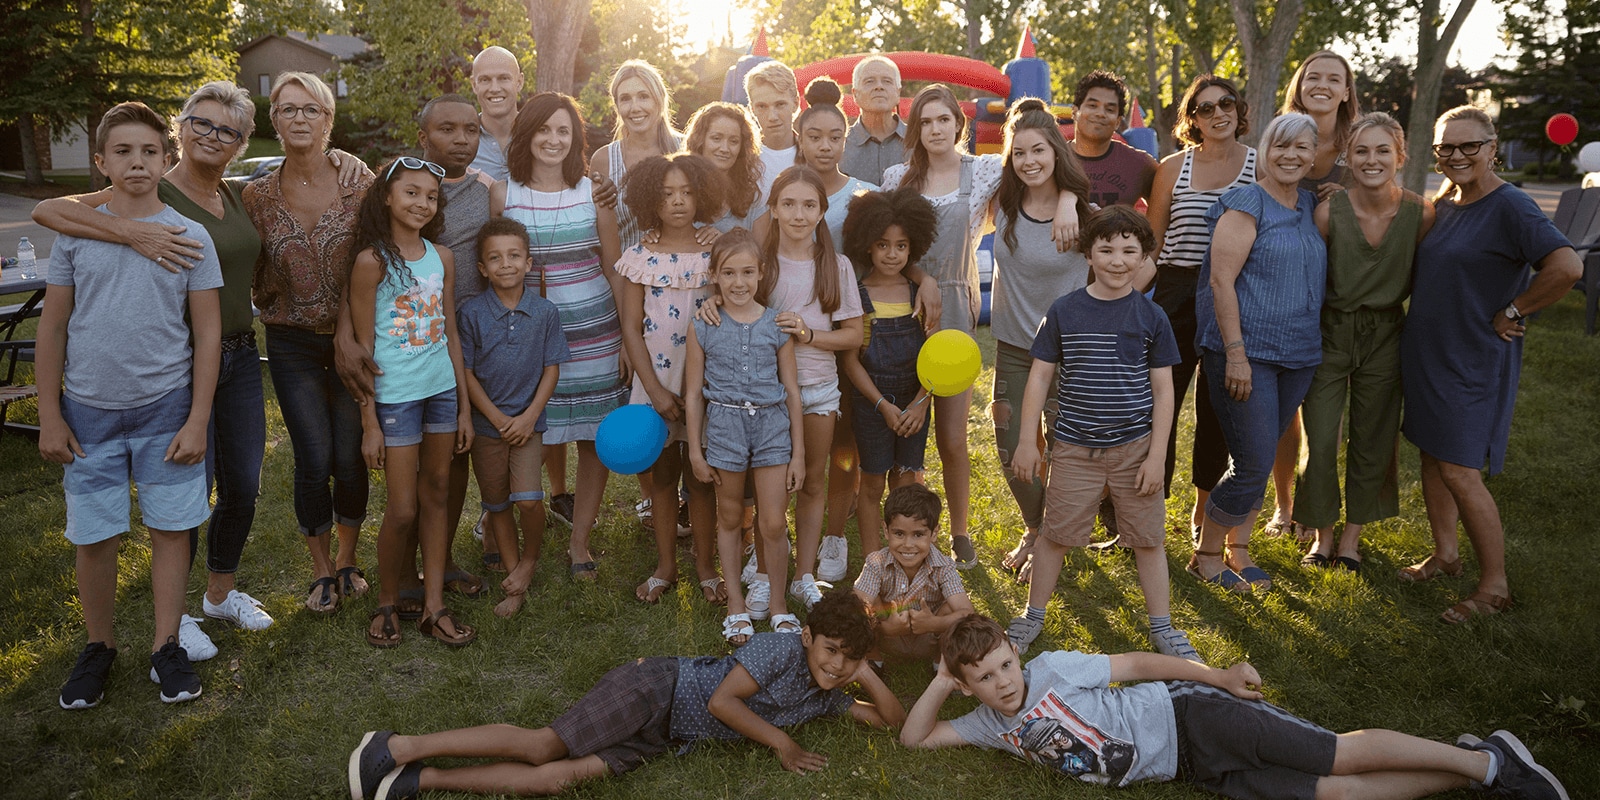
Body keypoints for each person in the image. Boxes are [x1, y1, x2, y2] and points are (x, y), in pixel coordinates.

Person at [29, 80, 335, 650]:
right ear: (181, 126)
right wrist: (130, 231)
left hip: (240, 355)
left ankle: (218, 595)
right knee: (184, 492)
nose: (213, 136)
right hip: (177, 361)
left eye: (229, 130)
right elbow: (48, 210)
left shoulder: (240, 195)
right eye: (202, 122)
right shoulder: (149, 188)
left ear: (242, 142)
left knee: (243, 484)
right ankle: (176, 622)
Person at [901, 614, 1571, 800]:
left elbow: (1137, 665)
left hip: (1192, 715)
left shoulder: (1049, 670)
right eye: (985, 678)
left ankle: (1490, 768)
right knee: (1334, 795)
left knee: (1339, 750)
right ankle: (1475, 763)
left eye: (1004, 666)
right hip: (1191, 769)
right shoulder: (988, 725)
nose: (1004, 683)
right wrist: (939, 678)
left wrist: (1216, 676)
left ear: (1019, 659)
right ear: (969, 686)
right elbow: (913, 742)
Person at [345, 589, 906, 799]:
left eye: (848, 658)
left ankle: (420, 782)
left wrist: (867, 673)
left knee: (556, 778)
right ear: (808, 636)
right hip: (658, 690)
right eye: (830, 650)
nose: (835, 665)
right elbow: (722, 703)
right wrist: (781, 743)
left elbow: (891, 723)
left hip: (666, 736)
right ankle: (395, 748)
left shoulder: (828, 691)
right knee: (545, 747)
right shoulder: (781, 648)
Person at [43, 102, 223, 708]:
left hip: (166, 407)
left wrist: (198, 418)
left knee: (171, 530)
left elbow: (208, 335)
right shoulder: (74, 233)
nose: (137, 162)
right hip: (87, 411)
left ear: (167, 159)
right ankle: (98, 646)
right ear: (101, 162)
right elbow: (54, 328)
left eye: (149, 151)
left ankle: (165, 645)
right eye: (122, 152)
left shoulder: (191, 236)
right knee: (95, 536)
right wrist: (49, 414)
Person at [882, 84, 1079, 569]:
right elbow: (882, 247)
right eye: (925, 122)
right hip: (899, 303)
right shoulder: (895, 177)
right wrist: (920, 277)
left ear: (959, 125)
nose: (935, 130)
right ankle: (905, 530)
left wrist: (1072, 199)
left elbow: (1046, 168)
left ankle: (960, 531)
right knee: (904, 432)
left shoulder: (986, 170)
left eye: (943, 120)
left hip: (955, 306)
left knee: (952, 436)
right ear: (916, 129)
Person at [1398, 105, 1581, 623]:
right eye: (1445, 148)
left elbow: (1567, 266)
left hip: (1471, 358)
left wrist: (1515, 308)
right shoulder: (1448, 201)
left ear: (1492, 147)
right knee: (1433, 456)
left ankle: (1494, 587)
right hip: (1429, 353)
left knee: (1459, 468)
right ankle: (1446, 554)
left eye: (1468, 146)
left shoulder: (1511, 207)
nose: (1456, 155)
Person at [1006, 207, 1194, 661]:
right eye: (1106, 249)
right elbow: (1038, 377)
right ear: (1087, 253)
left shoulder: (1152, 317)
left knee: (1148, 540)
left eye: (1129, 250)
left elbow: (1165, 392)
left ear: (1145, 256)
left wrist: (1156, 457)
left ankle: (1162, 626)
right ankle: (1033, 615)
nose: (1117, 260)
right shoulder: (1065, 311)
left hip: (1135, 450)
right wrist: (1028, 441)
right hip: (1073, 449)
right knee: (1055, 536)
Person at [701, 166, 866, 618]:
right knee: (769, 494)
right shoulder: (762, 263)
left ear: (821, 211)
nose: (798, 213)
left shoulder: (837, 265)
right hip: (766, 395)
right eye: (788, 204)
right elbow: (736, 293)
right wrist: (713, 300)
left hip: (818, 390)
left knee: (813, 480)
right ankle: (762, 572)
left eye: (809, 205)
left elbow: (853, 335)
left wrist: (810, 335)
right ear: (772, 209)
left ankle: (803, 575)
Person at [243, 72, 373, 615]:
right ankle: (319, 568)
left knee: (350, 452)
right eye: (287, 109)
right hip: (291, 340)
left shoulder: (359, 183)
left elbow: (374, 260)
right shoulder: (255, 195)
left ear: (328, 120)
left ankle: (347, 558)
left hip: (354, 338)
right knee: (313, 454)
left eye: (310, 109)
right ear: (274, 120)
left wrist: (349, 330)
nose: (299, 118)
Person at [1190, 113, 1327, 594]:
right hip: (1246, 352)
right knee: (1249, 462)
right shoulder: (1247, 201)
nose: (1291, 156)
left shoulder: (1310, 204)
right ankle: (1206, 555)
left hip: (1299, 353)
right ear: (1265, 149)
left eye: (1302, 148)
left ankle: (1239, 549)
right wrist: (1236, 354)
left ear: (1315, 155)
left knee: (1263, 453)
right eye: (1281, 146)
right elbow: (1220, 280)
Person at [1295, 113, 1433, 572]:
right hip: (1330, 332)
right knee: (1318, 435)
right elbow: (1309, 282)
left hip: (1387, 334)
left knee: (1374, 437)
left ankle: (1351, 540)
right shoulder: (1328, 212)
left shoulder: (1420, 214)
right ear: (1347, 157)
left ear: (1400, 155)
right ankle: (1322, 535)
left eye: (1381, 151)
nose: (1371, 160)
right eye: (1361, 151)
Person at [349, 156, 475, 649]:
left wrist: (464, 406)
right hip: (396, 398)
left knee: (438, 494)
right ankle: (386, 600)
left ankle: (435, 604)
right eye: (411, 193)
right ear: (386, 197)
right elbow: (361, 352)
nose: (422, 203)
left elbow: (451, 337)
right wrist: (370, 424)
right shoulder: (371, 261)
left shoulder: (441, 256)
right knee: (402, 509)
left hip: (442, 390)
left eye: (430, 196)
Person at [502, 92, 629, 581]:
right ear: (527, 134)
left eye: (564, 131)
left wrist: (625, 339)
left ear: (576, 139)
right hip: (529, 337)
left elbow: (614, 268)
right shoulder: (504, 192)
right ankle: (512, 525)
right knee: (533, 431)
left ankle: (580, 539)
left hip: (594, 329)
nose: (554, 140)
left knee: (593, 438)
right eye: (544, 129)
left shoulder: (593, 192)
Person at [986, 99, 1093, 582]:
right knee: (1013, 449)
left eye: (1039, 151)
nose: (1029, 161)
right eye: (1020, 153)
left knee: (1067, 452)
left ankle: (1054, 537)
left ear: (1056, 152)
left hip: (1070, 352)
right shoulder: (1001, 204)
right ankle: (1037, 527)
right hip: (1012, 350)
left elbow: (1129, 264)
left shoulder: (1082, 216)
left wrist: (1071, 198)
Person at [614, 153, 726, 606]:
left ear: (701, 194)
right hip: (655, 379)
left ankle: (705, 567)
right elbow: (630, 328)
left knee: (701, 479)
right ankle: (664, 566)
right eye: (666, 194)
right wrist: (656, 392)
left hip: (707, 383)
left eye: (686, 192)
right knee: (662, 477)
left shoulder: (717, 253)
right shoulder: (637, 258)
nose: (678, 202)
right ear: (649, 201)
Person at [1147, 75, 1253, 547]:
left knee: (1218, 408)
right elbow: (1151, 244)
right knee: (1160, 405)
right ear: (1192, 119)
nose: (1217, 114)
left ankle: (1204, 506)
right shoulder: (1172, 168)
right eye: (1205, 108)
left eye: (1225, 103)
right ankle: (1147, 510)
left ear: (1238, 108)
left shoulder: (1260, 167)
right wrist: (1121, 300)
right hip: (1176, 291)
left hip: (1233, 294)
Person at [685, 228, 806, 644]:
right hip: (724, 427)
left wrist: (800, 454)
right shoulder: (703, 324)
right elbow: (693, 392)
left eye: (748, 272)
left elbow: (792, 391)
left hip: (772, 427)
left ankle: (777, 604)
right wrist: (697, 452)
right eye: (729, 273)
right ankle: (736, 604)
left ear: (761, 273)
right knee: (731, 516)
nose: (739, 283)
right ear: (715, 276)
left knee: (772, 522)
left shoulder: (777, 325)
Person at [1265, 50, 1364, 540]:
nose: (1322, 85)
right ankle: (1284, 507)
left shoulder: (1361, 144)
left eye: (1334, 79)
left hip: (1341, 291)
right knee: (1285, 412)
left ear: (1347, 90)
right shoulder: (1282, 138)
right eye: (1313, 77)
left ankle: (1315, 504)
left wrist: (1352, 200)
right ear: (1299, 85)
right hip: (1283, 290)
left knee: (1325, 413)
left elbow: (1387, 206)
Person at [459, 217, 569, 617]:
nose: (506, 264)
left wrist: (528, 417)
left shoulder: (544, 312)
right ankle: (513, 580)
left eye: (514, 256)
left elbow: (552, 368)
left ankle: (529, 561)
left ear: (528, 263)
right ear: (483, 268)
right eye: (495, 258)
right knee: (498, 504)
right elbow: (466, 372)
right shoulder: (471, 313)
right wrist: (495, 417)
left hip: (528, 426)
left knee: (527, 501)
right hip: (488, 428)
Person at [839, 188, 938, 553]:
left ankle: (905, 554)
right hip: (871, 403)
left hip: (915, 401)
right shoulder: (858, 293)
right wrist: (882, 404)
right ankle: (872, 560)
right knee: (871, 484)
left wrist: (920, 403)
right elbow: (851, 361)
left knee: (906, 483)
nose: (892, 254)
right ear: (868, 245)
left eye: (901, 245)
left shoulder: (920, 293)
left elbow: (936, 358)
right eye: (883, 245)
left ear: (913, 247)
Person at [851, 484, 973, 662]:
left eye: (918, 535)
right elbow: (854, 610)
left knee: (951, 610)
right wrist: (886, 628)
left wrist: (934, 623)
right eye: (899, 533)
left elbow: (968, 613)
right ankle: (873, 660)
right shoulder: (876, 563)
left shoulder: (944, 567)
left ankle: (941, 663)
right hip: (887, 635)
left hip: (930, 636)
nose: (908, 544)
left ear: (933, 533)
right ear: (886, 531)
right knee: (863, 605)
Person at [594, 59, 681, 251]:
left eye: (643, 96)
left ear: (659, 99)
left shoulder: (687, 149)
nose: (635, 108)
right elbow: (598, 235)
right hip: (625, 275)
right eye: (625, 99)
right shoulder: (603, 160)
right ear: (616, 106)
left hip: (684, 275)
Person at [1067, 70, 1157, 209]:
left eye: (1109, 109)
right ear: (1074, 112)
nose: (1100, 114)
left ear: (1117, 121)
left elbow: (1165, 212)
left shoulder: (1140, 164)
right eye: (1092, 106)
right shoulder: (1054, 159)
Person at [682, 101, 766, 232]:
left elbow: (761, 252)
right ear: (700, 141)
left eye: (733, 141)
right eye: (716, 138)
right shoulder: (680, 190)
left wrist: (725, 243)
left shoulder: (754, 199)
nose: (725, 148)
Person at [841, 55, 907, 185]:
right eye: (869, 81)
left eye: (887, 81)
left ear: (898, 92)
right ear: (855, 94)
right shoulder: (841, 144)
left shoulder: (918, 141)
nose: (879, 87)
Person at [745, 60, 800, 200]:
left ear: (796, 103)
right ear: (752, 109)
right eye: (762, 106)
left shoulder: (815, 155)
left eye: (780, 104)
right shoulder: (741, 159)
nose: (772, 117)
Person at [468, 46, 524, 181]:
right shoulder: (461, 143)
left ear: (519, 82)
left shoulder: (540, 136)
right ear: (474, 85)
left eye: (504, 78)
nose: (494, 88)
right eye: (485, 80)